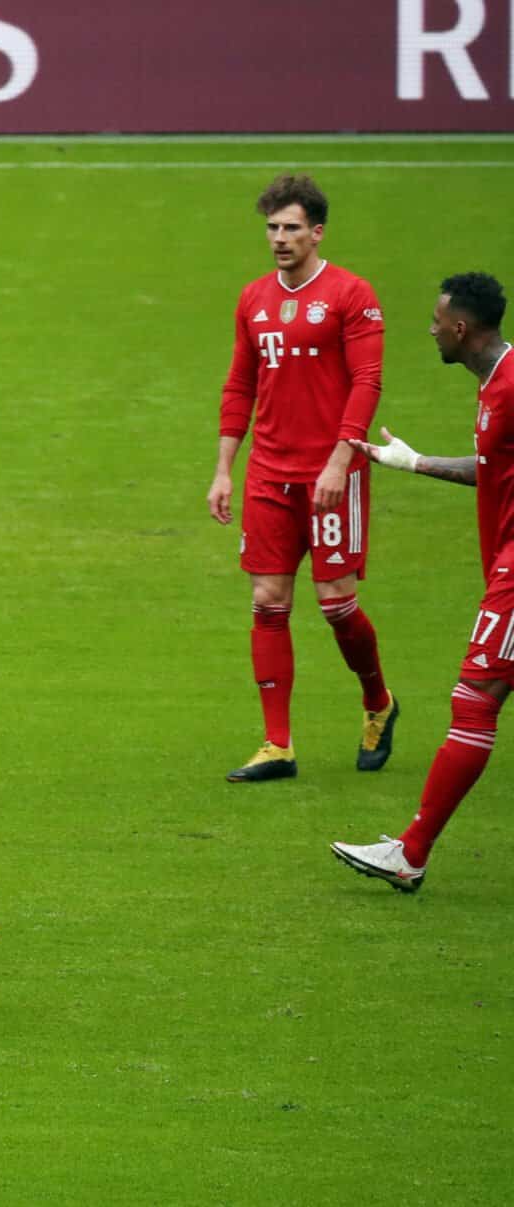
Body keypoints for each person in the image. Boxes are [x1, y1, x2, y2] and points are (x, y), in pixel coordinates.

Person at [210, 173, 395, 784]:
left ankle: (378, 702)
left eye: (291, 228)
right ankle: (277, 744)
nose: (279, 239)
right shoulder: (253, 299)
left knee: (337, 605)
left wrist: (341, 460)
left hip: (332, 473)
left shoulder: (351, 294)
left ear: (317, 232)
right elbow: (240, 385)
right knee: (268, 601)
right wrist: (224, 470)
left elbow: (367, 381)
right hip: (269, 473)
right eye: (272, 228)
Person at [332, 272, 513, 891]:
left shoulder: (513, 384)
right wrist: (414, 462)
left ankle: (410, 853)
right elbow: (491, 468)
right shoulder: (493, 385)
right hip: (504, 562)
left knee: (476, 698)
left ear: (461, 328)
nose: (431, 330)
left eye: (437, 321)